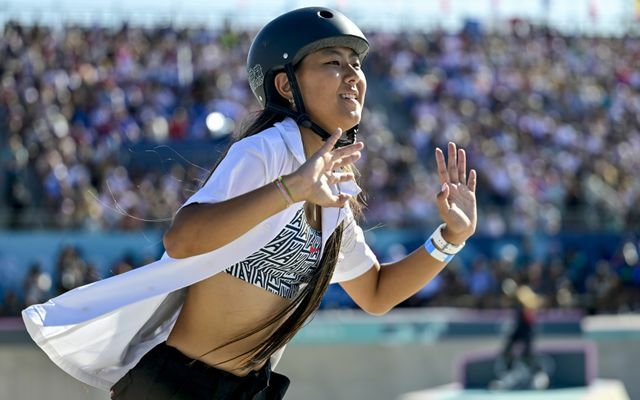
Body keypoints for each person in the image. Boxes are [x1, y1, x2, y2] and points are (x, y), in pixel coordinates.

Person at [22, 7, 477, 400]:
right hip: (179, 386)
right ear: (285, 84)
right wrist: (290, 189)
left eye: (356, 63)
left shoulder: (333, 189)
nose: (353, 75)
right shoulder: (265, 152)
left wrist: (451, 238)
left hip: (250, 389)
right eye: (333, 61)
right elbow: (182, 239)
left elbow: (376, 293)